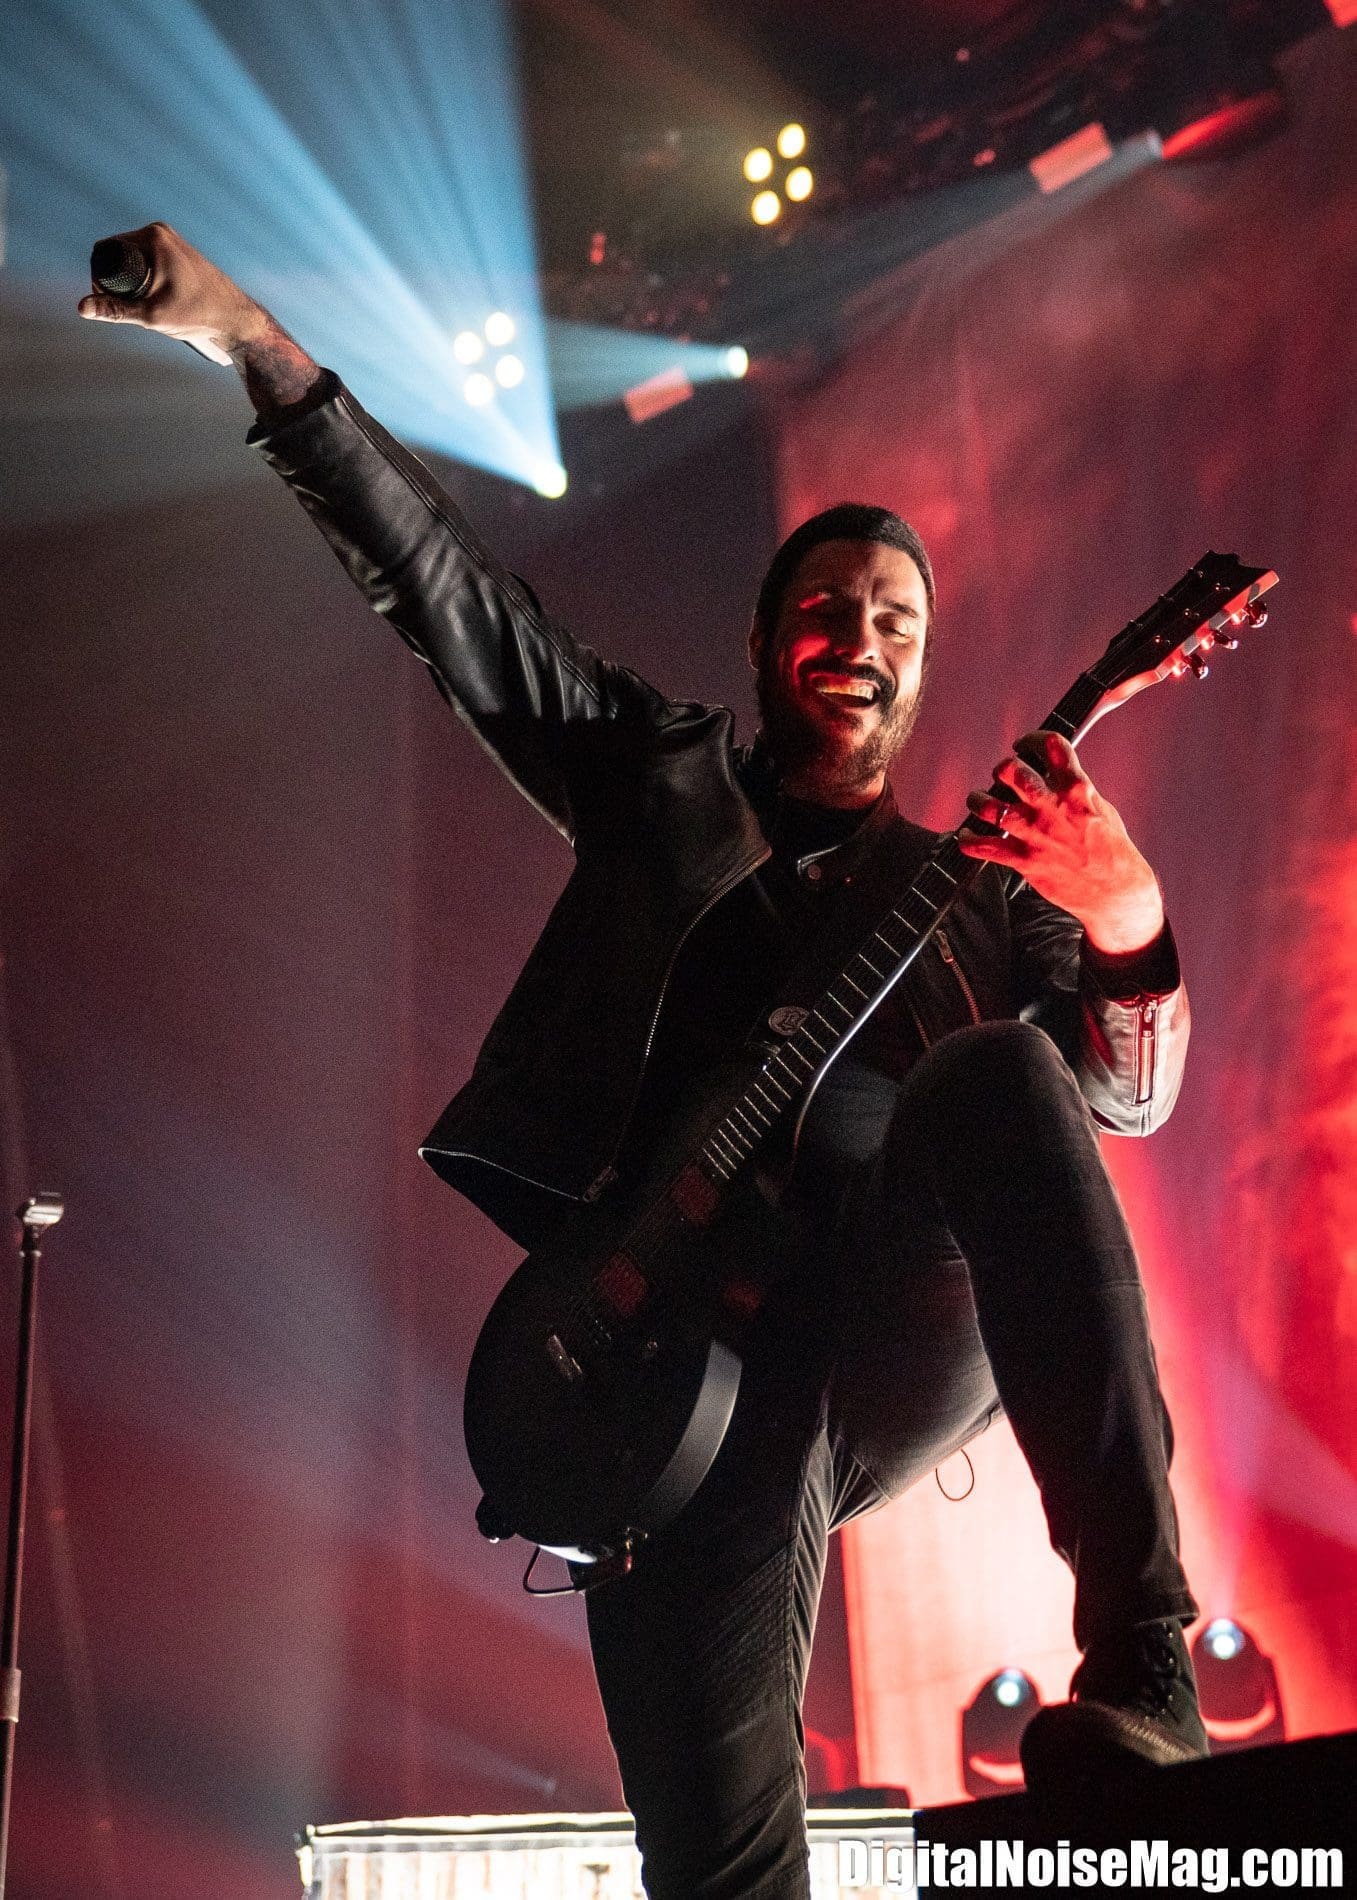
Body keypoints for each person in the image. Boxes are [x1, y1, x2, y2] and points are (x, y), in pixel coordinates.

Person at [81, 225, 1209, 1899]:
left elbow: (1114, 1102)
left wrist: (1126, 921)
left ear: (920, 663)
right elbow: (451, 603)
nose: (858, 632)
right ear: (765, 649)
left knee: (989, 1081)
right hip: (666, 1364)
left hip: (888, 1319)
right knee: (718, 1869)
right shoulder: (662, 788)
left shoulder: (987, 882)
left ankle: (1144, 1667)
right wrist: (253, 341)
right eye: (821, 607)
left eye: (893, 614)